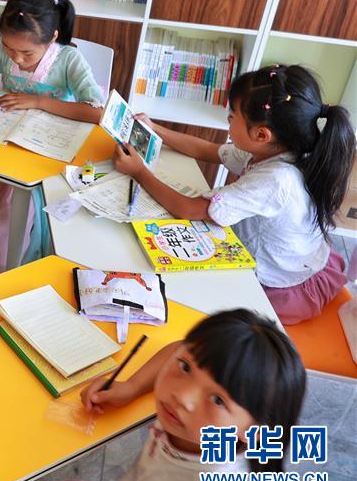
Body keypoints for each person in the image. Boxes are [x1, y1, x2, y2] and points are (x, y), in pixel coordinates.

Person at [113, 65, 354, 324]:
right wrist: (155, 128)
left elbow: (188, 209)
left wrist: (139, 172)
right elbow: (208, 150)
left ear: (261, 134)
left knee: (189, 298)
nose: (228, 120)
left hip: (283, 287)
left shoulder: (277, 180)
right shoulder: (277, 148)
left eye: (232, 115)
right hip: (296, 259)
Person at [0, 309, 306, 481]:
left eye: (217, 400)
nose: (181, 396)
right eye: (186, 368)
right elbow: (179, 348)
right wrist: (130, 386)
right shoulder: (198, 426)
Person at [0, 0, 105, 286]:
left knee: (16, 216)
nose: (16, 58)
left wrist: (38, 102)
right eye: (8, 48)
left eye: (27, 53)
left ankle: (8, 278)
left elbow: (97, 111)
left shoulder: (69, 60)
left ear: (52, 38)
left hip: (44, 161)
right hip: (2, 150)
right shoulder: (2, 51)